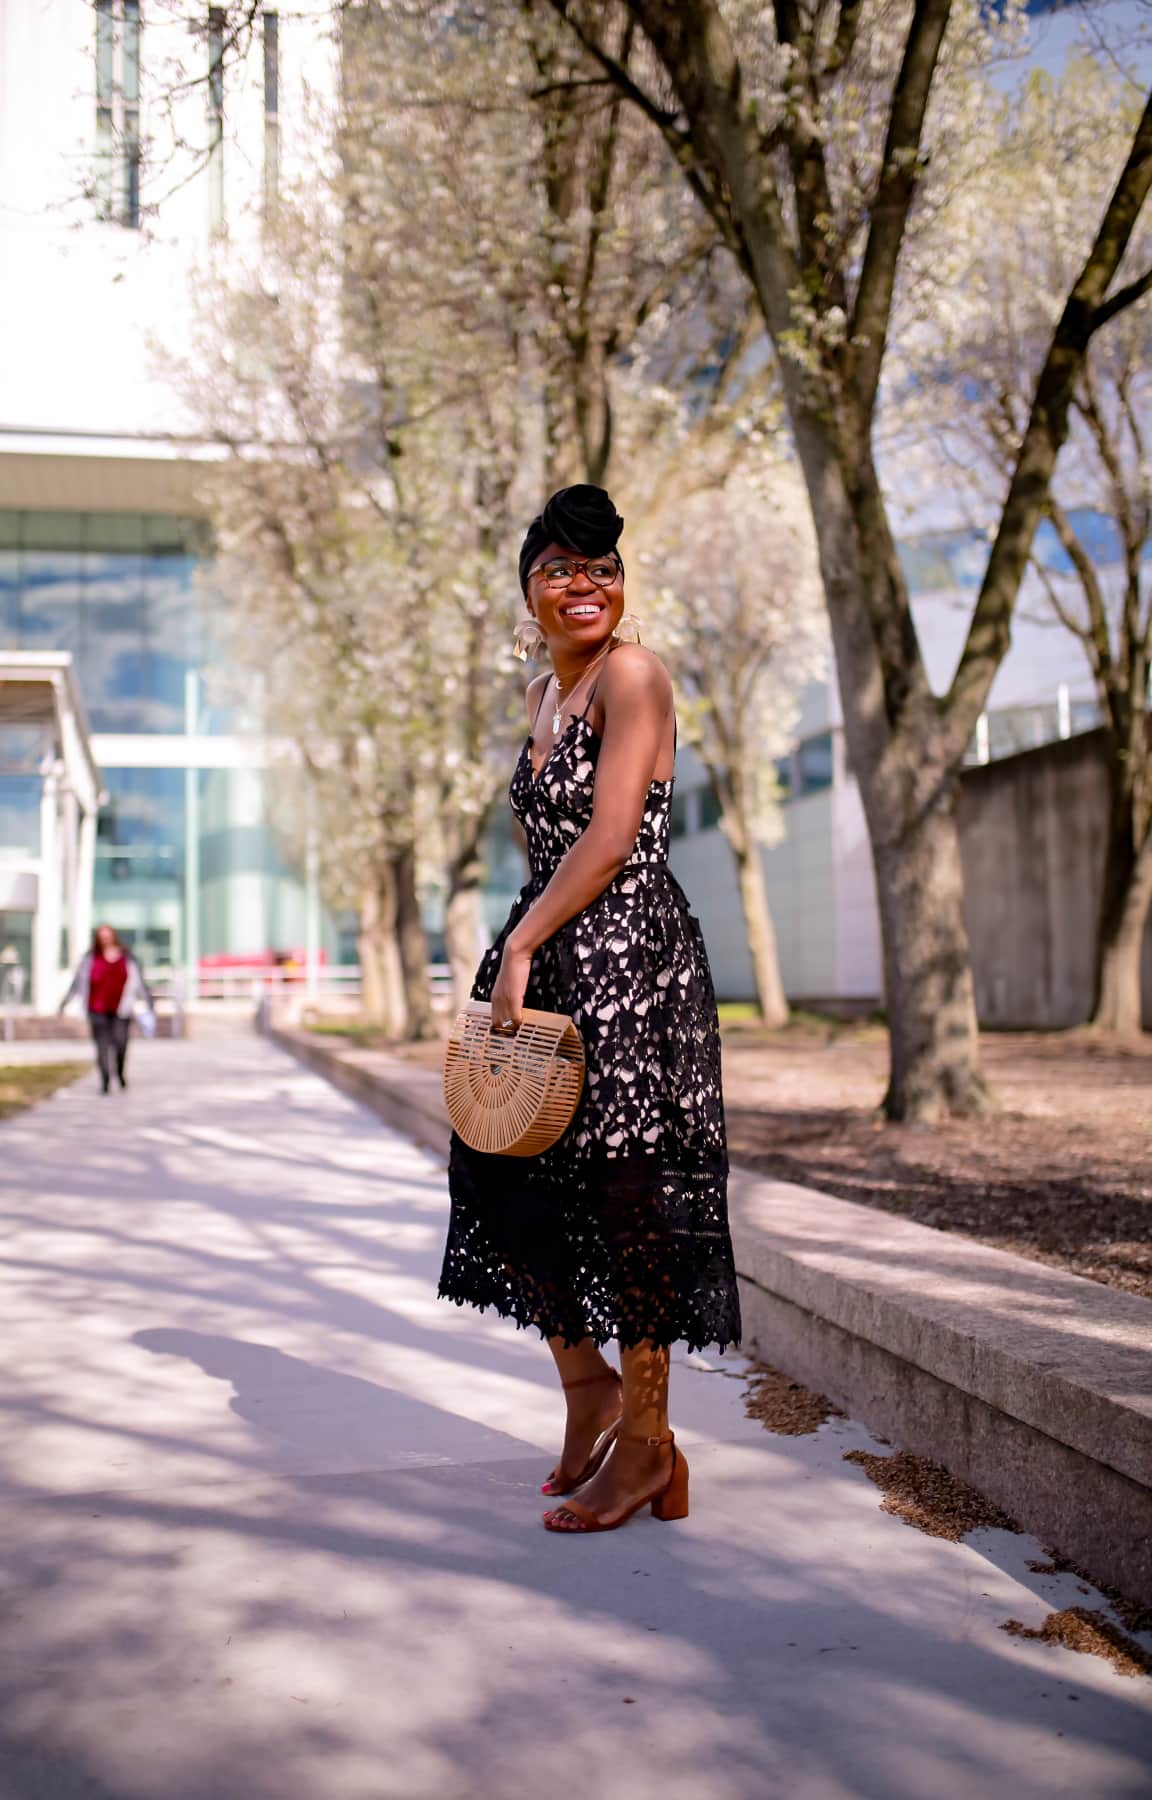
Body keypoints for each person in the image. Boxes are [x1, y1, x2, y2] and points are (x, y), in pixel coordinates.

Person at [439, 484, 741, 1535]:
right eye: (563, 568)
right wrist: (518, 952)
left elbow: (611, 837)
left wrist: (517, 942)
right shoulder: (542, 699)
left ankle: (651, 1448)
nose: (586, 586)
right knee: (493, 1169)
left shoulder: (635, 677)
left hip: (628, 958)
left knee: (627, 1196)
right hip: (550, 954)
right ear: (529, 589)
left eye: (603, 567)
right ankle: (589, 1392)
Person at [60, 925, 154, 1094]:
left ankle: (119, 1073)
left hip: (121, 1010)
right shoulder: (90, 958)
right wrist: (64, 1002)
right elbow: (77, 983)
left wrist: (149, 1003)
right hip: (97, 1009)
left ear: (113, 937)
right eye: (101, 936)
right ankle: (105, 1081)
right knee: (102, 1047)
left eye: (107, 936)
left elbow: (139, 982)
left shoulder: (127, 958)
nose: (104, 939)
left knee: (121, 1044)